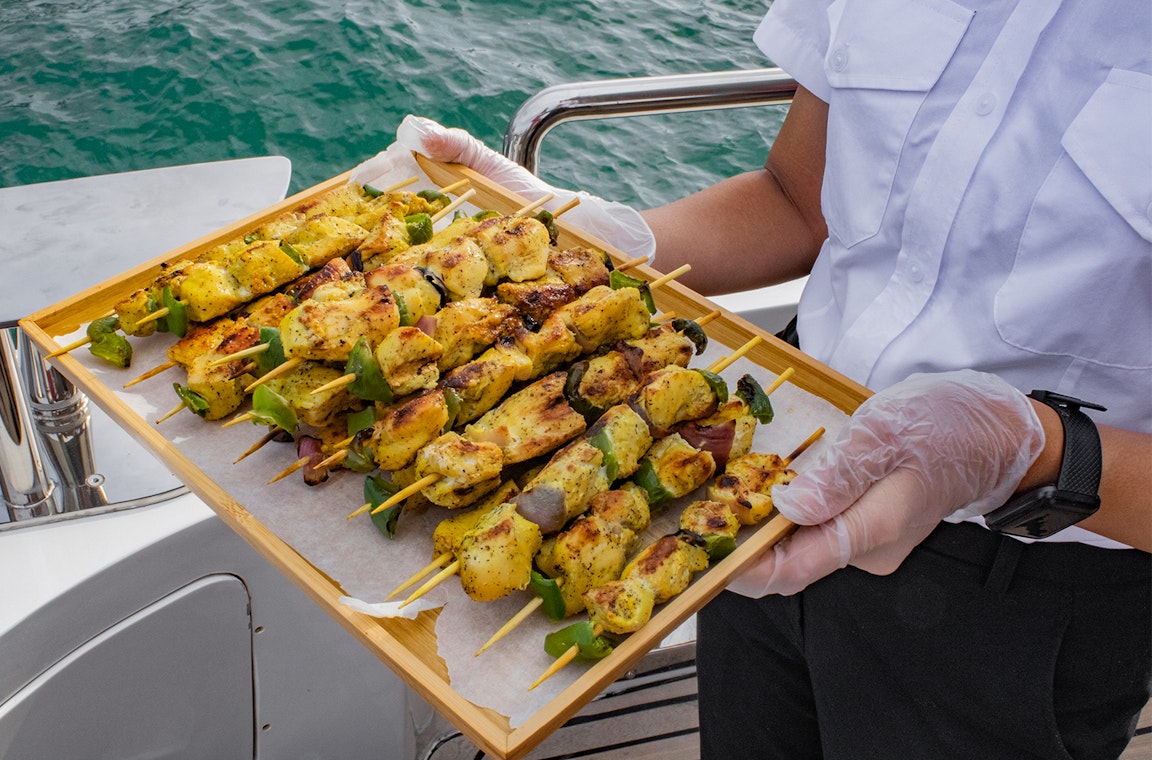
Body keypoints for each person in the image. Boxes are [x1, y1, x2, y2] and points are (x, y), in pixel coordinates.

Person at [397, 0, 1151, 755]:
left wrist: (1027, 449)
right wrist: (607, 239)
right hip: (767, 479)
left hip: (1029, 592)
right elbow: (798, 201)